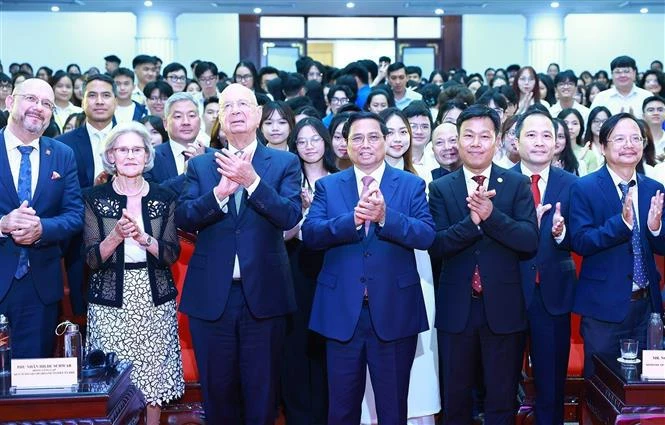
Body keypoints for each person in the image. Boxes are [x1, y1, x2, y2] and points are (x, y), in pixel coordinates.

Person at [175, 83, 302, 424]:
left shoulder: (283, 162)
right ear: (219, 117)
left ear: (258, 114)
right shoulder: (202, 166)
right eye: (227, 106)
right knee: (218, 394)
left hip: (264, 295)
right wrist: (217, 194)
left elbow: (290, 216)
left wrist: (253, 182)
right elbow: (184, 218)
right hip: (211, 298)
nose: (235, 112)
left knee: (262, 394)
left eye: (243, 104)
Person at [303, 111, 435, 424]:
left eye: (373, 137)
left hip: (394, 310)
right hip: (342, 312)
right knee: (342, 408)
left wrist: (386, 217)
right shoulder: (329, 187)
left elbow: (427, 234)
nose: (366, 145)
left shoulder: (410, 184)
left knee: (392, 409)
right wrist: (351, 220)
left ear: (387, 141)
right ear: (345, 145)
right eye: (357, 138)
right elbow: (311, 235)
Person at [428, 104, 538, 425]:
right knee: (455, 398)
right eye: (469, 136)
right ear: (458, 141)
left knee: (501, 399)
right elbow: (437, 244)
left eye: (484, 136)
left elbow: (528, 240)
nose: (476, 143)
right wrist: (473, 222)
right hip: (456, 310)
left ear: (498, 141)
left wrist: (492, 216)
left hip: (503, 309)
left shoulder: (516, 184)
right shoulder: (440, 188)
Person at [82, 122, 183, 424]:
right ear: (110, 155)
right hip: (110, 299)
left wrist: (143, 238)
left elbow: (170, 254)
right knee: (111, 381)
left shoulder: (164, 196)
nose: (129, 155)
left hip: (153, 298)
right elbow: (91, 260)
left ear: (147, 156)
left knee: (153, 376)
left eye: (136, 149)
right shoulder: (94, 196)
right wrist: (116, 236)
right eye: (122, 150)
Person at [360, 107, 440, 425]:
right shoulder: (358, 176)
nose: (397, 138)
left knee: (416, 349)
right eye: (389, 132)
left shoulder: (423, 176)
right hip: (374, 275)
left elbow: (427, 232)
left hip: (416, 270)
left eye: (403, 131)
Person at [569, 112, 665, 377]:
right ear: (603, 146)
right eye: (620, 138)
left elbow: (662, 246)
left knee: (646, 389)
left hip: (648, 310)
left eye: (636, 138)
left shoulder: (654, 189)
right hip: (603, 310)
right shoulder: (584, 188)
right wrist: (621, 224)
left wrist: (655, 228)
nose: (629, 144)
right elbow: (581, 241)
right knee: (601, 389)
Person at [0, 78, 84, 358]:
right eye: (31, 99)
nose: (39, 108)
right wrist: (2, 224)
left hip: (39, 288)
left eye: (47, 104)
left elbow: (75, 215)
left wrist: (42, 229)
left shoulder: (62, 154)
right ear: (10, 102)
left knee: (31, 388)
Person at [511, 109, 578, 425]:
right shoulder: (500, 180)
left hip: (552, 296)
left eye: (547, 136)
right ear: (516, 140)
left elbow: (584, 236)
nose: (539, 142)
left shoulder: (574, 185)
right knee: (502, 386)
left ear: (557, 143)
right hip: (506, 294)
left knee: (551, 388)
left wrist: (561, 232)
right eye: (532, 135)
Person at [282, 117, 337, 425]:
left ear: (325, 141)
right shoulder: (287, 180)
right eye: (301, 141)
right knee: (296, 343)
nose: (308, 146)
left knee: (328, 344)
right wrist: (302, 215)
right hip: (294, 265)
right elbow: (279, 232)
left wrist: (318, 209)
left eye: (314, 139)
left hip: (331, 267)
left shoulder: (341, 178)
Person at [144, 92, 208, 194]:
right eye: (178, 116)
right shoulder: (149, 157)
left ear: (200, 122)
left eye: (191, 115)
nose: (186, 122)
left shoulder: (216, 158)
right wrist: (186, 174)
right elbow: (150, 194)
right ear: (165, 124)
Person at [583, 106, 612, 173]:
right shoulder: (584, 147)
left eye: (604, 121)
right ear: (590, 123)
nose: (600, 125)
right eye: (596, 121)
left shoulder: (615, 146)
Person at [642, 95, 665, 160]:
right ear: (643, 116)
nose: (656, 113)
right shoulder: (637, 139)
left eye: (660, 110)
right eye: (651, 110)